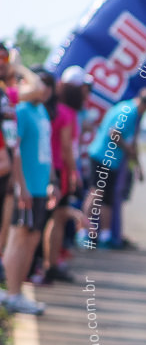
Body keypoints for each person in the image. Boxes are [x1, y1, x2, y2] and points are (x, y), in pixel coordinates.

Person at [4, 67, 53, 314]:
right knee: (19, 238)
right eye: (40, 82)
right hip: (27, 187)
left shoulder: (41, 110)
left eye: (48, 84)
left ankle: (17, 291)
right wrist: (20, 185)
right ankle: (12, 294)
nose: (43, 88)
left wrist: (52, 180)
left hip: (41, 187)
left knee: (32, 239)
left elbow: (46, 149)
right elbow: (16, 151)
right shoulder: (21, 110)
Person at [84, 87, 146, 249]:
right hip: (102, 156)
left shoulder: (132, 111)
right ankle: (83, 232)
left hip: (111, 161)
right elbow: (114, 133)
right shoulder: (129, 111)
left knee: (106, 199)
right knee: (96, 193)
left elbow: (132, 141)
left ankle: (105, 236)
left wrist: (138, 166)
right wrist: (126, 149)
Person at [40, 70, 82, 284]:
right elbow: (67, 148)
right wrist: (74, 172)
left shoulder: (53, 109)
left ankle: (49, 263)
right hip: (58, 170)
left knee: (52, 219)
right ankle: (50, 265)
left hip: (49, 168)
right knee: (57, 219)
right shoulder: (67, 113)